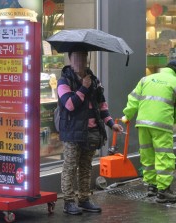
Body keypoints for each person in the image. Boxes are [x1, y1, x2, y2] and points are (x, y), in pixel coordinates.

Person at [57, 50, 123, 215]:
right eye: (76, 57)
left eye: (83, 57)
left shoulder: (94, 80)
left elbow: (102, 105)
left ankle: (84, 199)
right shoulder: (64, 80)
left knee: (86, 167)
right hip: (72, 132)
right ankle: (68, 201)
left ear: (86, 59)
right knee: (70, 167)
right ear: (70, 59)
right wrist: (83, 88)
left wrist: (111, 124)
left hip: (91, 131)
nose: (80, 60)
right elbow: (70, 105)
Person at [122, 60, 176, 203]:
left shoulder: (146, 79)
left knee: (147, 154)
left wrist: (127, 115)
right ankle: (164, 191)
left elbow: (133, 98)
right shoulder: (174, 81)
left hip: (143, 123)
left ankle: (152, 186)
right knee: (163, 155)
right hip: (161, 124)